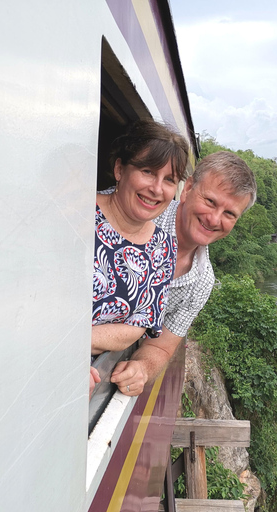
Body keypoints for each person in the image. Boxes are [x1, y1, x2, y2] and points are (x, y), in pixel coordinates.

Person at [105, 151, 257, 396]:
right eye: (210, 201)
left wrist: (142, 368)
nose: (214, 219)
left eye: (230, 214)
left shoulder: (202, 281)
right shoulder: (138, 212)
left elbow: (163, 347)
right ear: (186, 190)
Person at [89, 120, 190, 396]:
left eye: (169, 180)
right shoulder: (77, 214)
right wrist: (62, 351)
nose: (157, 189)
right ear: (120, 169)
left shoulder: (163, 247)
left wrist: (76, 343)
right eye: (148, 171)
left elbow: (137, 325)